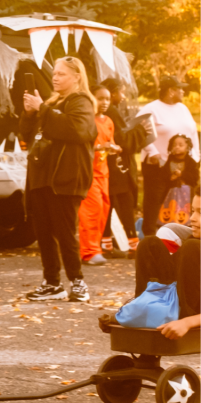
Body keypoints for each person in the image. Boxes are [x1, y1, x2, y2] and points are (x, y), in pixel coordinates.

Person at [20, 57, 97, 302]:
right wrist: (30, 113)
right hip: (42, 176)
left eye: (62, 74)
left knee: (65, 232)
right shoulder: (52, 102)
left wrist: (42, 109)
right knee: (43, 232)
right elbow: (28, 135)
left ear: (76, 76)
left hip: (65, 177)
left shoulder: (81, 101)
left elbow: (76, 130)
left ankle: (78, 282)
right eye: (54, 73)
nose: (55, 77)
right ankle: (52, 283)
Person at [132, 185, 199, 339]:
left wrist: (188, 322)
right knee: (149, 244)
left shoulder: (193, 247)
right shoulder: (191, 238)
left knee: (193, 247)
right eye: (194, 211)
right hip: (171, 300)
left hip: (192, 313)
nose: (193, 218)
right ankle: (141, 307)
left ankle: (181, 313)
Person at [138, 75, 200, 236]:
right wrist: (153, 152)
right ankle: (150, 236)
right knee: (155, 201)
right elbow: (138, 132)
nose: (183, 92)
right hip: (159, 165)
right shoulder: (151, 109)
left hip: (184, 164)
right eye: (180, 88)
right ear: (170, 91)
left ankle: (184, 235)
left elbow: (192, 133)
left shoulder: (183, 108)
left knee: (186, 200)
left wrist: (196, 156)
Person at [99, 77, 149, 258]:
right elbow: (123, 140)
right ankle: (133, 246)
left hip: (106, 166)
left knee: (109, 205)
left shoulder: (105, 112)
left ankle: (105, 245)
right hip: (117, 168)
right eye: (121, 92)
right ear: (112, 93)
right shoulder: (111, 111)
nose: (123, 96)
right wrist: (141, 130)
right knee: (126, 204)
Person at [77, 86, 118, 266]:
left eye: (107, 99)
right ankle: (88, 251)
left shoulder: (108, 121)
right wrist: (102, 147)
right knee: (91, 210)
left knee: (103, 210)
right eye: (100, 98)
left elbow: (110, 142)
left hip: (104, 173)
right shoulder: (87, 120)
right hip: (88, 172)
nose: (105, 103)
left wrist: (114, 147)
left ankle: (95, 248)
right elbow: (83, 145)